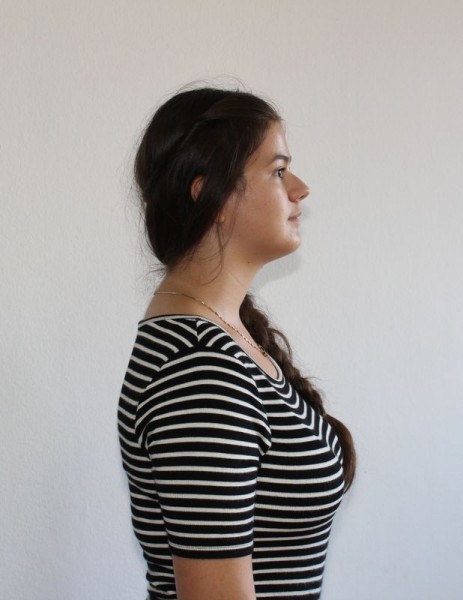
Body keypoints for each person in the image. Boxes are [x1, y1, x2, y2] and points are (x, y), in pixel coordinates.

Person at [118, 86, 356, 600]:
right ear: (212, 196)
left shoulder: (220, 340)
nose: (300, 189)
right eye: (278, 171)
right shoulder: (200, 369)